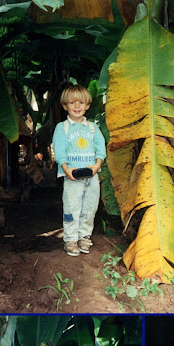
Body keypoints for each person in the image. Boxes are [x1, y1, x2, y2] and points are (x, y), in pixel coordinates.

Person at [52, 85, 106, 257]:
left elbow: (100, 148)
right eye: (72, 103)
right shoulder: (63, 128)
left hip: (91, 176)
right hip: (72, 176)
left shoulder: (92, 128)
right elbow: (59, 151)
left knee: (90, 208)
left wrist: (97, 165)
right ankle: (70, 239)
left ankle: (84, 237)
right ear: (65, 106)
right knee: (71, 207)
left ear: (87, 105)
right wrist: (66, 169)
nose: (77, 106)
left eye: (81, 103)